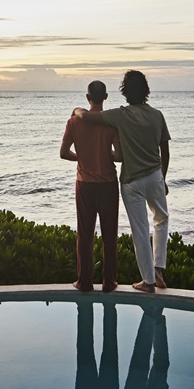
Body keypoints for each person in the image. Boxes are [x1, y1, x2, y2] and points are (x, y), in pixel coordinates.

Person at [74, 70, 170, 293]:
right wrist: (163, 178)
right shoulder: (157, 116)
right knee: (161, 220)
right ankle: (158, 270)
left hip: (131, 181)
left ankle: (148, 282)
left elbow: (86, 117)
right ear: (146, 91)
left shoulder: (120, 115)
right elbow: (165, 150)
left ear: (124, 93)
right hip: (155, 175)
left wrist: (76, 110)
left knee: (140, 229)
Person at [61, 80, 121, 293]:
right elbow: (120, 155)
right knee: (109, 235)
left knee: (84, 235)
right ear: (105, 97)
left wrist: (82, 158)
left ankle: (84, 282)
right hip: (108, 185)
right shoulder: (111, 123)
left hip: (84, 184)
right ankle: (109, 282)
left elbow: (63, 153)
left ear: (88, 98)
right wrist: (107, 156)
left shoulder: (73, 122)